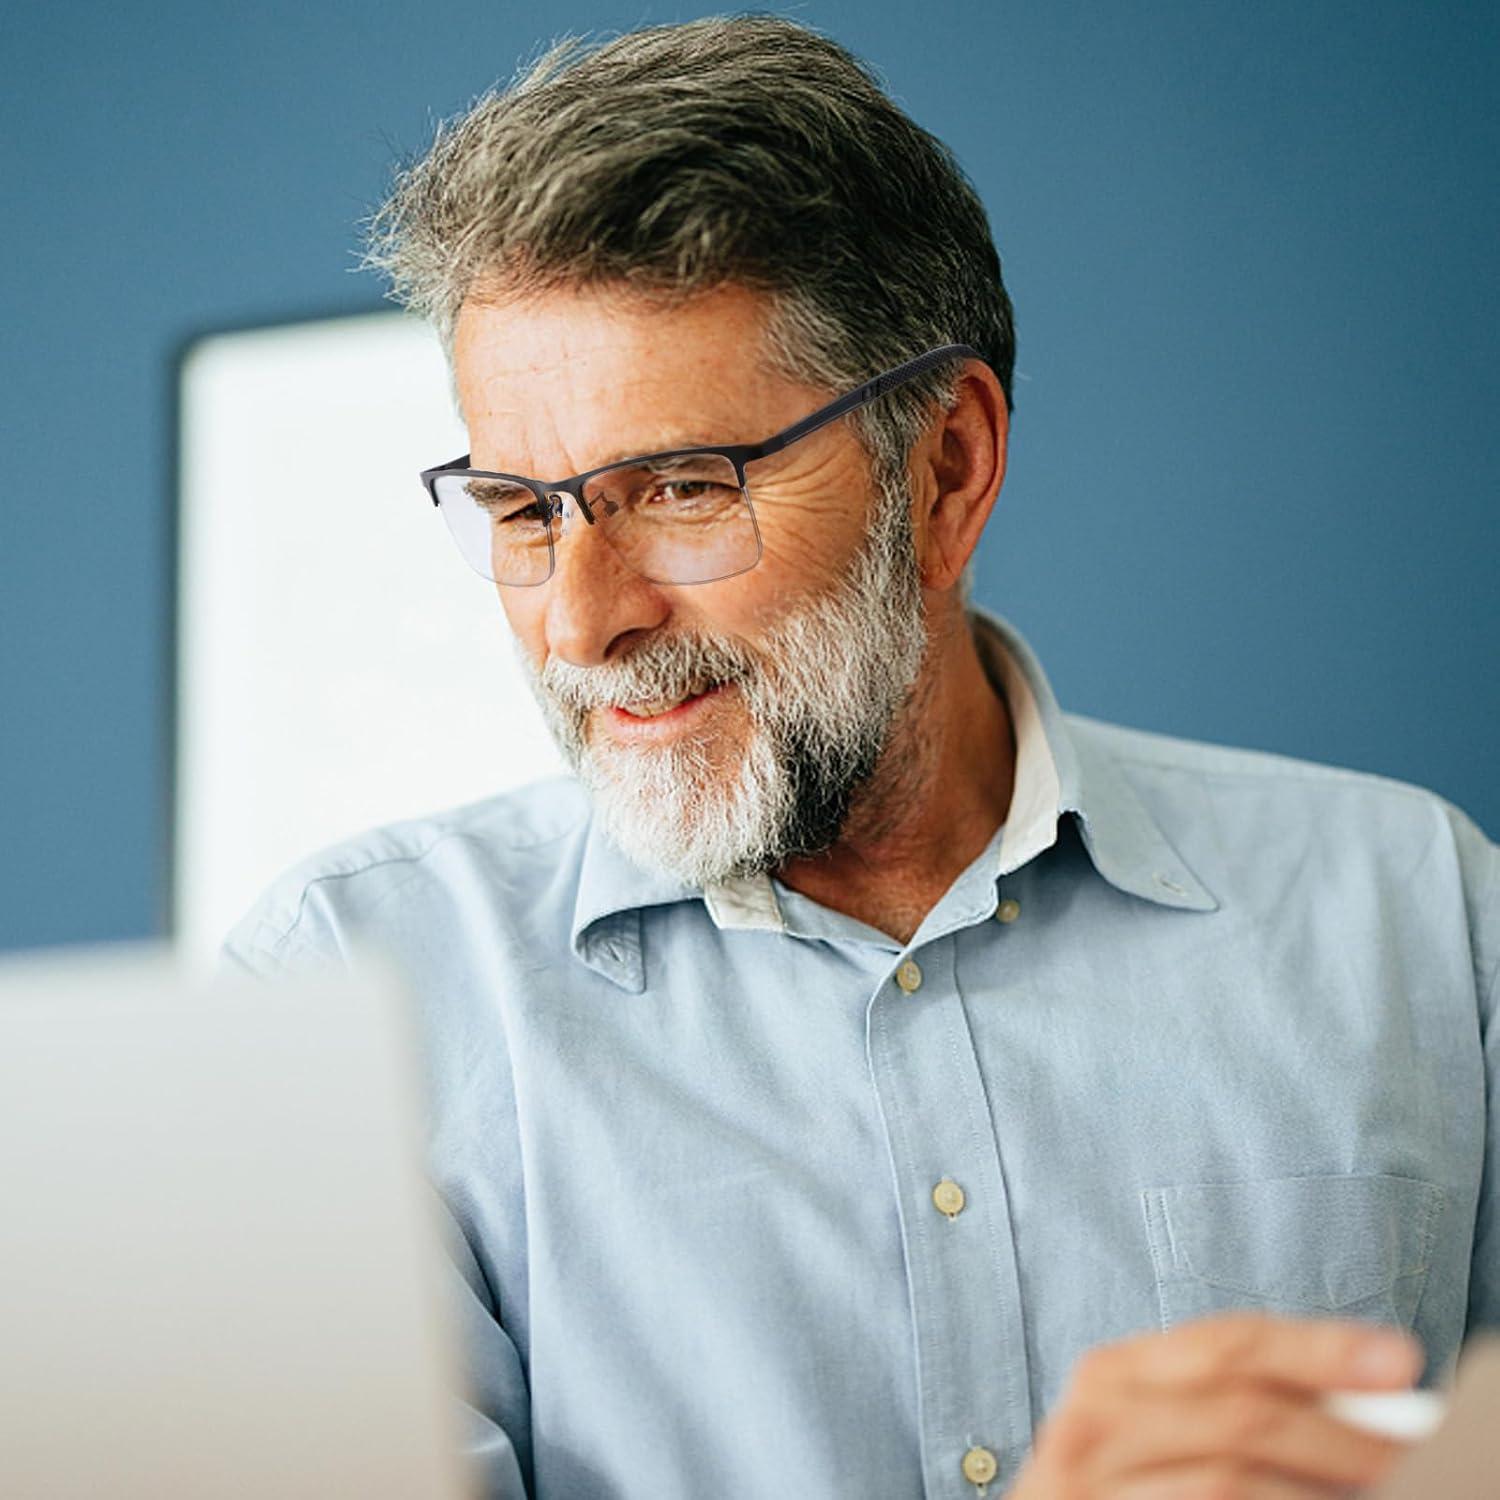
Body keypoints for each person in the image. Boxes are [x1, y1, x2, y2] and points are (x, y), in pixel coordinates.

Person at [221, 14, 1497, 1499]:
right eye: (521, 510)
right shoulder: (342, 1001)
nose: (580, 621)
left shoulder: (1425, 917)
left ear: (945, 468)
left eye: (682, 488)